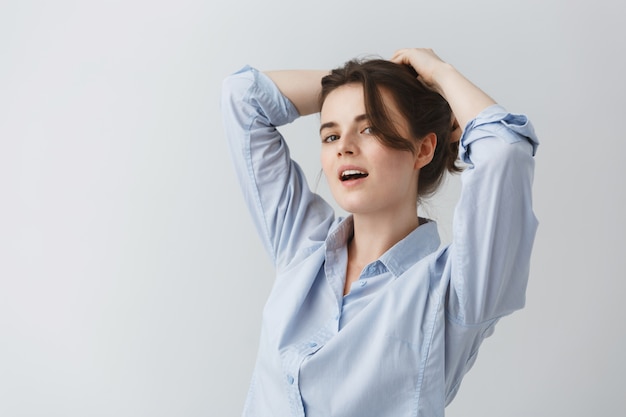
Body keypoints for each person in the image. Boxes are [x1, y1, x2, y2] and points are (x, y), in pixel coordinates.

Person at [221, 48, 538, 417]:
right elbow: (241, 96)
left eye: (370, 128)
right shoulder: (302, 246)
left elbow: (505, 152)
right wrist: (366, 82)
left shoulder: (451, 292)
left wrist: (439, 75)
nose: (344, 148)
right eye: (330, 135)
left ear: (423, 150)